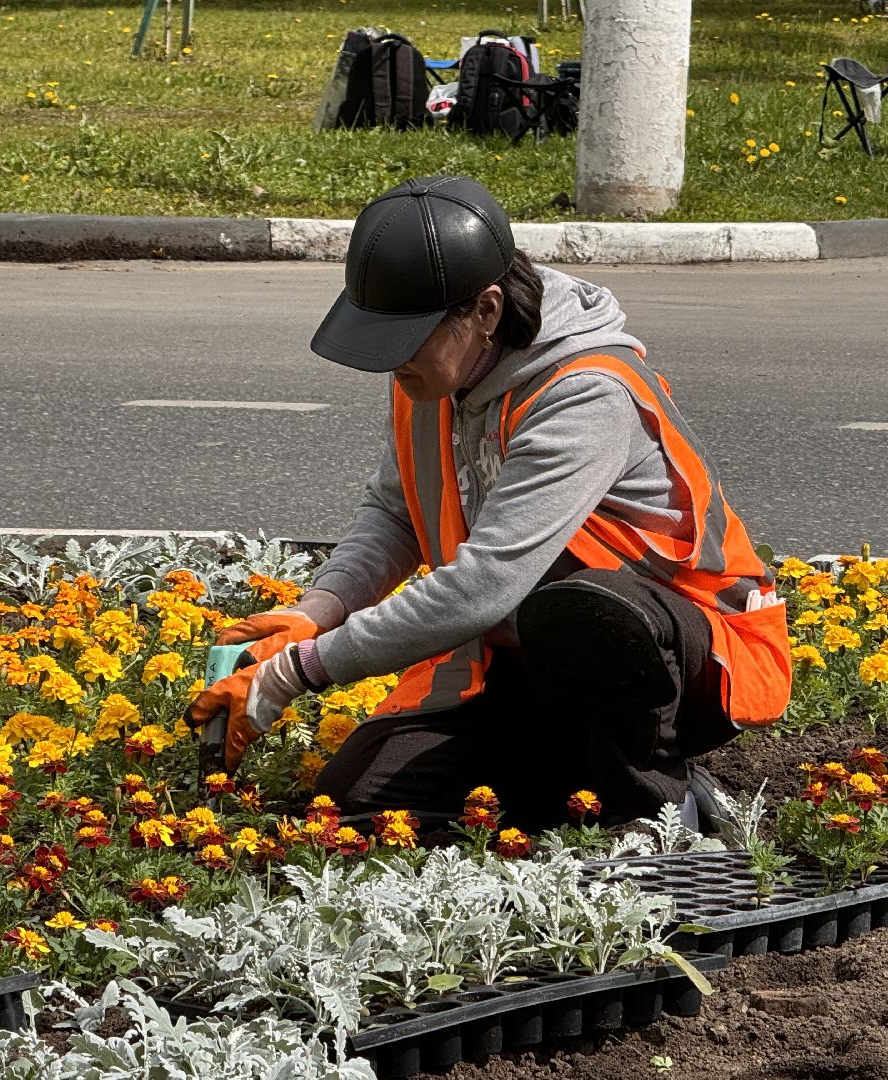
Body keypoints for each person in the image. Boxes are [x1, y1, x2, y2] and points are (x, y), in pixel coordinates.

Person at [186, 175, 791, 830]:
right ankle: (572, 780)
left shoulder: (584, 393)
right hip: (524, 660)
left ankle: (661, 803)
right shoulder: (431, 378)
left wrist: (297, 672)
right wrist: (318, 611)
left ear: (487, 311)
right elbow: (395, 513)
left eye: (407, 340)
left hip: (685, 650)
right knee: (361, 801)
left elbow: (483, 586)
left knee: (587, 610)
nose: (392, 365)